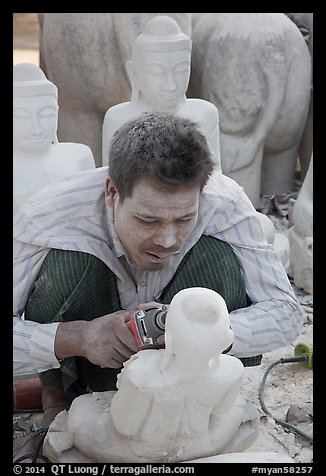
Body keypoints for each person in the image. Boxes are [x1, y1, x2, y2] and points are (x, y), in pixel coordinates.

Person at [13, 112, 304, 434]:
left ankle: (200, 395)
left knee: (218, 255)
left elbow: (286, 313)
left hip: (190, 367)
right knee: (66, 259)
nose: (167, 240)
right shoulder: (50, 215)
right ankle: (58, 394)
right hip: (88, 360)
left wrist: (200, 330)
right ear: (112, 192)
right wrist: (78, 337)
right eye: (148, 220)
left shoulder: (224, 203)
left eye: (183, 219)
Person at [101, 15, 221, 172]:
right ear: (133, 72)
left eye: (181, 70)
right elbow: (111, 183)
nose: (171, 85)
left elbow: (217, 181)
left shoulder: (205, 113)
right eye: (157, 72)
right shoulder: (118, 118)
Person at [13, 63, 95, 217]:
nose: (36, 129)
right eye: (22, 117)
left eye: (46, 115)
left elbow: (93, 217)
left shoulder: (79, 156)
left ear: (57, 112)